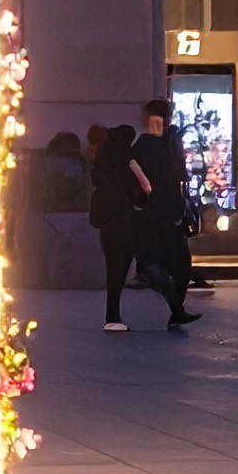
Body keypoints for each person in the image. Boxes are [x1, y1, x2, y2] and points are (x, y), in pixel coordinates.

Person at [129, 98, 199, 331]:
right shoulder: (172, 143)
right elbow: (180, 173)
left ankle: (175, 308)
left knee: (154, 259)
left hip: (150, 211)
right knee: (181, 264)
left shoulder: (144, 146)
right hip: (172, 211)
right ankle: (176, 309)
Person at [88, 124, 145, 332]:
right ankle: (175, 306)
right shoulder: (129, 161)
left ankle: (112, 315)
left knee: (113, 269)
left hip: (107, 224)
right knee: (129, 266)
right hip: (127, 220)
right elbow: (145, 186)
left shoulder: (101, 161)